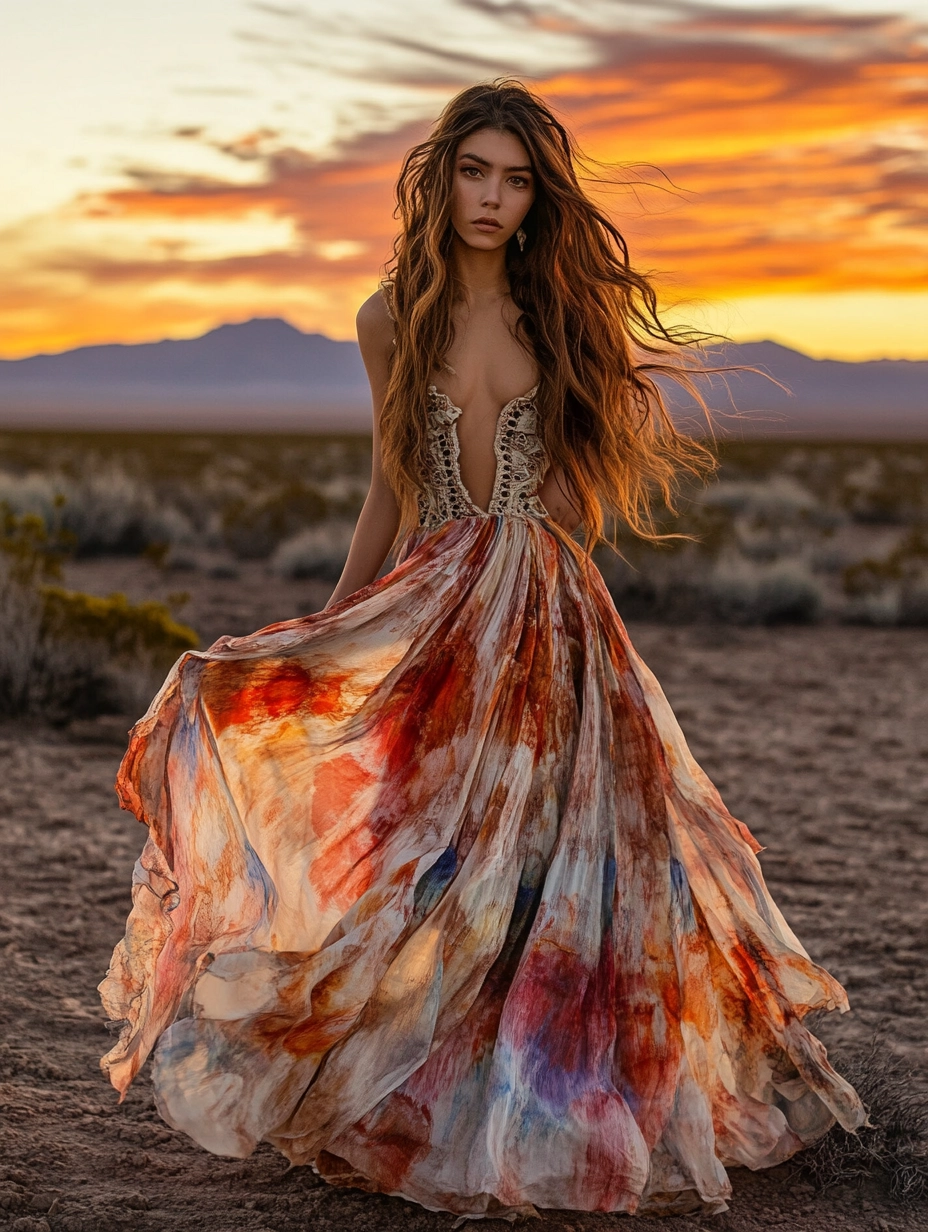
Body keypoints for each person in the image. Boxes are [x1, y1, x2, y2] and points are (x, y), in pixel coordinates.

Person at [100, 79, 865, 1219]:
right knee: (423, 859)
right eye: (475, 173)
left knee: (555, 870)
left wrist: (535, 569)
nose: (493, 199)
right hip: (437, 607)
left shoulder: (557, 318)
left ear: (535, 193)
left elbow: (569, 497)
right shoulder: (386, 317)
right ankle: (413, 1093)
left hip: (551, 617)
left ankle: (536, 1106)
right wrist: (322, 632)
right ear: (439, 177)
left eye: (515, 179)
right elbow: (388, 488)